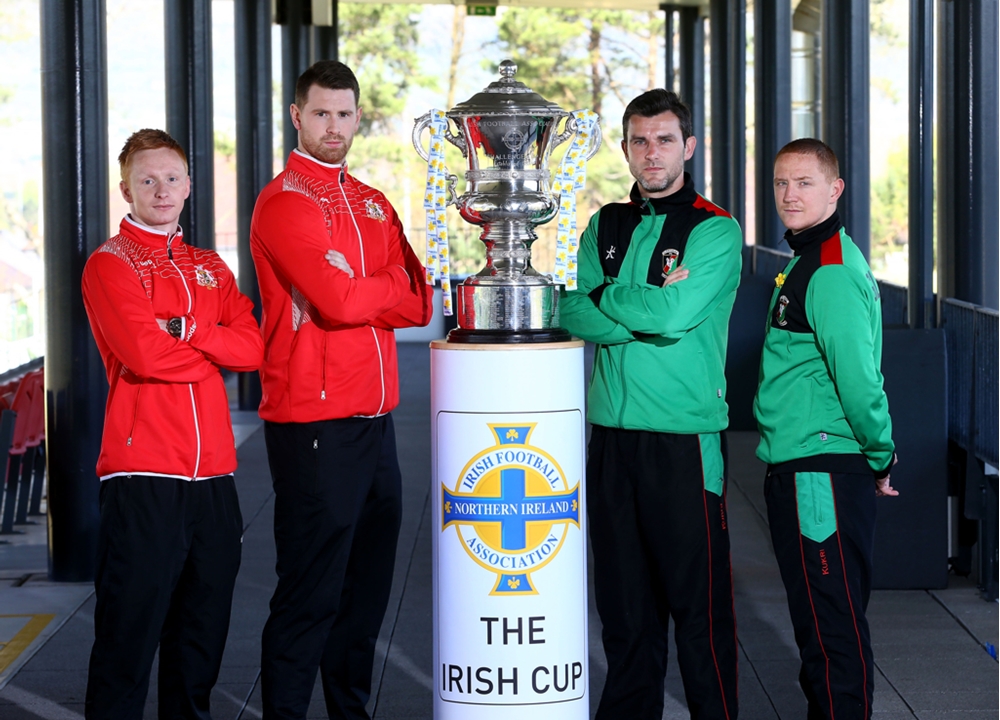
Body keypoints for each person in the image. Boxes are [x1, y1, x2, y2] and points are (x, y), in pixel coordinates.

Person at [250, 60, 433, 719]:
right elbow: (335, 300)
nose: (334, 125)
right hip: (314, 423)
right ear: (297, 117)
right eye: (321, 113)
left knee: (364, 595)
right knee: (310, 593)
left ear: (359, 118)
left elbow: (418, 300)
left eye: (345, 114)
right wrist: (362, 287)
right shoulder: (284, 203)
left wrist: (363, 287)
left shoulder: (372, 201)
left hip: (376, 421)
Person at [560, 88, 743, 720]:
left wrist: (611, 297)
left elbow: (678, 314)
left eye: (665, 140)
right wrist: (638, 304)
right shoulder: (604, 223)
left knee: (699, 611)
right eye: (640, 140)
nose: (652, 152)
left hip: (685, 443)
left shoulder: (715, 228)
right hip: (612, 438)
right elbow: (570, 308)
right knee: (625, 613)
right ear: (626, 148)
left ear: (688, 147)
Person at [81, 128, 264, 719]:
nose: (161, 190)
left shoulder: (210, 266)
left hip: (214, 478)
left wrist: (188, 332)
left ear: (189, 184)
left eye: (172, 178)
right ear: (125, 189)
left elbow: (253, 347)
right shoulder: (110, 265)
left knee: (199, 641)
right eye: (147, 179)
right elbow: (144, 356)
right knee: (126, 640)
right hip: (142, 475)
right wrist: (213, 348)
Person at [754, 138, 898, 720]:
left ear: (834, 189)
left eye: (804, 183)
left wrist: (881, 454)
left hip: (819, 470)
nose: (790, 194)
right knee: (822, 618)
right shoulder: (807, 259)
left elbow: (860, 381)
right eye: (782, 183)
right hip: (807, 464)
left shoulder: (830, 269)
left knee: (830, 623)